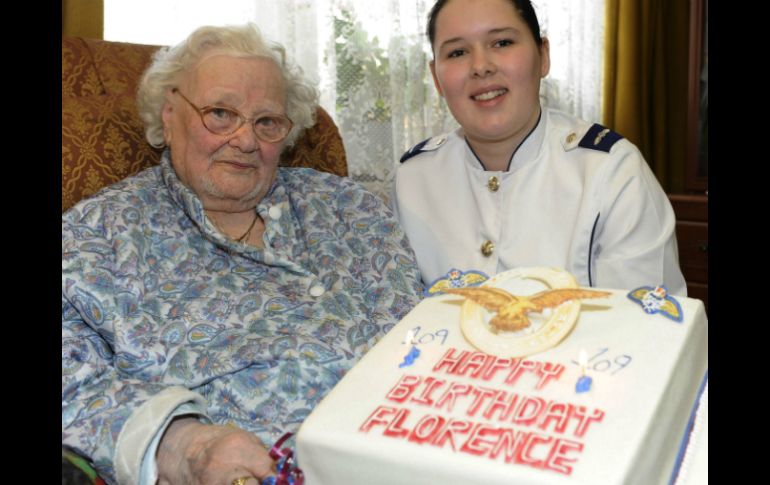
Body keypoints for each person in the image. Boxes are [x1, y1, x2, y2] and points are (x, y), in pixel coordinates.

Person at [62, 24, 423, 485]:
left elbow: (421, 339)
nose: (246, 140)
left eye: (266, 122)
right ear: (169, 116)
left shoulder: (352, 209)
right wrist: (183, 446)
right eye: (220, 113)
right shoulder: (97, 233)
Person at [393, 0, 687, 295]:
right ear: (436, 77)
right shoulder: (413, 179)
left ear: (543, 56)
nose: (480, 67)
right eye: (457, 52)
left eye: (502, 42)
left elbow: (646, 318)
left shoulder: (613, 173)